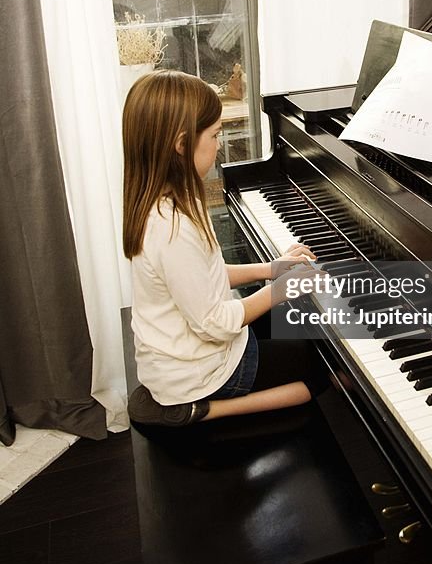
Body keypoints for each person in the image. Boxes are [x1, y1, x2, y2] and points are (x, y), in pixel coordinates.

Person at [122, 69, 326, 428]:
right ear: (182, 145)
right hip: (202, 374)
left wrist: (270, 269)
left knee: (302, 326)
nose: (220, 143)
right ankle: (206, 412)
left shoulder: (165, 200)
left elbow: (207, 273)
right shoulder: (172, 228)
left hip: (180, 358)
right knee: (326, 364)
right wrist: (282, 289)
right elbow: (215, 324)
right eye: (215, 135)